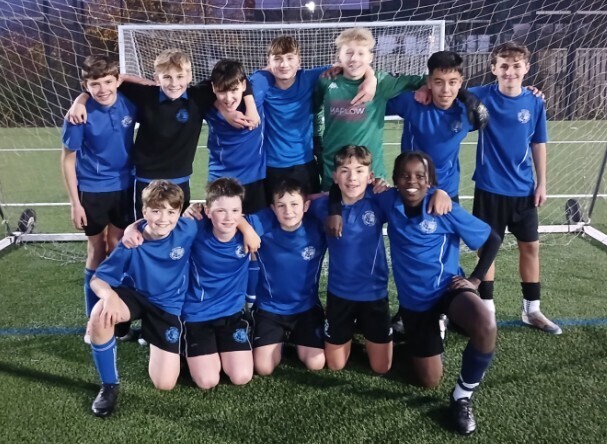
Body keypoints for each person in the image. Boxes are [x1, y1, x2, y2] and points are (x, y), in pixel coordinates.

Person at [374, 152, 501, 435]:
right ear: (395, 180)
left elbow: (492, 239)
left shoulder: (443, 207)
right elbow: (354, 191)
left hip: (447, 289)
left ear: (430, 181)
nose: (412, 182)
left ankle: (462, 397)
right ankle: (423, 334)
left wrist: (475, 280)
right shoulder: (388, 200)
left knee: (485, 324)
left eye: (420, 176)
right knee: (429, 381)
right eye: (405, 176)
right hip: (415, 304)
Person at [66, 49, 259, 217]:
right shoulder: (145, 95)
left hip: (181, 180)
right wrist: (80, 100)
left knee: (178, 230)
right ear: (157, 78)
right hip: (145, 180)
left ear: (189, 76)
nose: (174, 83)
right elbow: (110, 82)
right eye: (167, 77)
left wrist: (250, 107)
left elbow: (239, 78)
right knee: (145, 230)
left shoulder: (199, 95)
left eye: (180, 76)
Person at [469, 42, 561, 334]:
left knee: (530, 247)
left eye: (516, 66)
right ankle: (487, 310)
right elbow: (453, 90)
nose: (510, 72)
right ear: (493, 68)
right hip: (489, 188)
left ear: (526, 68)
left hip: (524, 190)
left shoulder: (535, 101)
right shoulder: (481, 95)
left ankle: (532, 310)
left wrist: (542, 183)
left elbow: (538, 143)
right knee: (487, 250)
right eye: (504, 66)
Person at [87, 180, 197, 418]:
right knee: (100, 314)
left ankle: (156, 338)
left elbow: (221, 214)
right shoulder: (131, 242)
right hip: (136, 295)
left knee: (164, 383)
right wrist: (109, 295)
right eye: (156, 211)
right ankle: (109, 385)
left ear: (179, 212)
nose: (163, 219)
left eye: (171, 212)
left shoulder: (187, 229)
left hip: (167, 304)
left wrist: (246, 229)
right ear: (144, 211)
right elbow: (97, 279)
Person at [61, 55, 137, 343]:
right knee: (97, 249)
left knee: (117, 247)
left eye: (108, 81)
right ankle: (92, 320)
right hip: (92, 191)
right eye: (94, 84)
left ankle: (115, 318)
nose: (103, 89)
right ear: (86, 85)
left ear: (117, 81)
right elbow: (68, 160)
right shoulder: (79, 115)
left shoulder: (129, 103)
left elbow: (149, 86)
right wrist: (75, 202)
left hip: (125, 187)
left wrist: (82, 96)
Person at [251, 36, 376, 199]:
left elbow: (348, 66)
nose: (284, 64)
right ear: (269, 62)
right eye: (278, 59)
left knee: (311, 209)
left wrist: (371, 78)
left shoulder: (310, 78)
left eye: (290, 58)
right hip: (272, 166)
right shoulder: (262, 82)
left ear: (299, 61)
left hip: (305, 164)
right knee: (278, 211)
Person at [308, 146, 392, 374]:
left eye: (359, 171)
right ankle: (344, 330)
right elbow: (296, 202)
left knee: (381, 368)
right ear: (335, 177)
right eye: (344, 171)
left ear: (370, 176)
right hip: (339, 294)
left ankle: (367, 331)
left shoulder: (379, 201)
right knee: (335, 365)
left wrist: (440, 194)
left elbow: (409, 195)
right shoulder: (323, 207)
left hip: (374, 294)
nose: (352, 178)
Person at [314, 27, 427, 190]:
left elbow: (424, 79)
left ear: (370, 57)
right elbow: (315, 110)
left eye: (361, 53)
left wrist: (424, 87)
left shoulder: (382, 83)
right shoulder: (326, 80)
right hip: (334, 169)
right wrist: (317, 137)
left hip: (372, 174)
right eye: (348, 52)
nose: (354, 58)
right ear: (339, 56)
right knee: (332, 207)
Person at [180, 178, 258, 389]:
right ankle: (184, 347)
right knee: (207, 381)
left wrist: (247, 229)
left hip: (231, 314)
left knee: (241, 376)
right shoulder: (194, 228)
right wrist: (134, 228)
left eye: (235, 211)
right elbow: (159, 225)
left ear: (242, 213)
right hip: (198, 314)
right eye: (221, 211)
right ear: (207, 211)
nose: (229, 217)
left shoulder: (251, 226)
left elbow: (288, 214)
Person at [249, 178, 327, 375]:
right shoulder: (264, 227)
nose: (288, 211)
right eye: (281, 205)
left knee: (316, 363)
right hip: (269, 309)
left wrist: (323, 195)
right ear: (273, 209)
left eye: (294, 204)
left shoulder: (317, 229)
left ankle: (294, 336)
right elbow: (237, 219)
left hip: (306, 308)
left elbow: (341, 201)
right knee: (263, 368)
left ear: (306, 206)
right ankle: (278, 338)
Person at [386, 50, 487, 200]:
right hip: (413, 189)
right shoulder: (412, 102)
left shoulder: (468, 111)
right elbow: (375, 103)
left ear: (460, 82)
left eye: (452, 82)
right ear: (429, 82)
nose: (445, 90)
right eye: (438, 82)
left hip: (448, 192)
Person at [206, 59, 267, 215]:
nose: (228, 98)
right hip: (221, 180)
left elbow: (271, 71)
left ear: (244, 85)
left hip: (255, 179)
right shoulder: (206, 104)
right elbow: (199, 89)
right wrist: (224, 112)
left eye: (234, 90)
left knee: (257, 228)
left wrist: (251, 104)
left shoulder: (258, 93)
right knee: (223, 227)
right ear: (213, 88)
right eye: (222, 91)